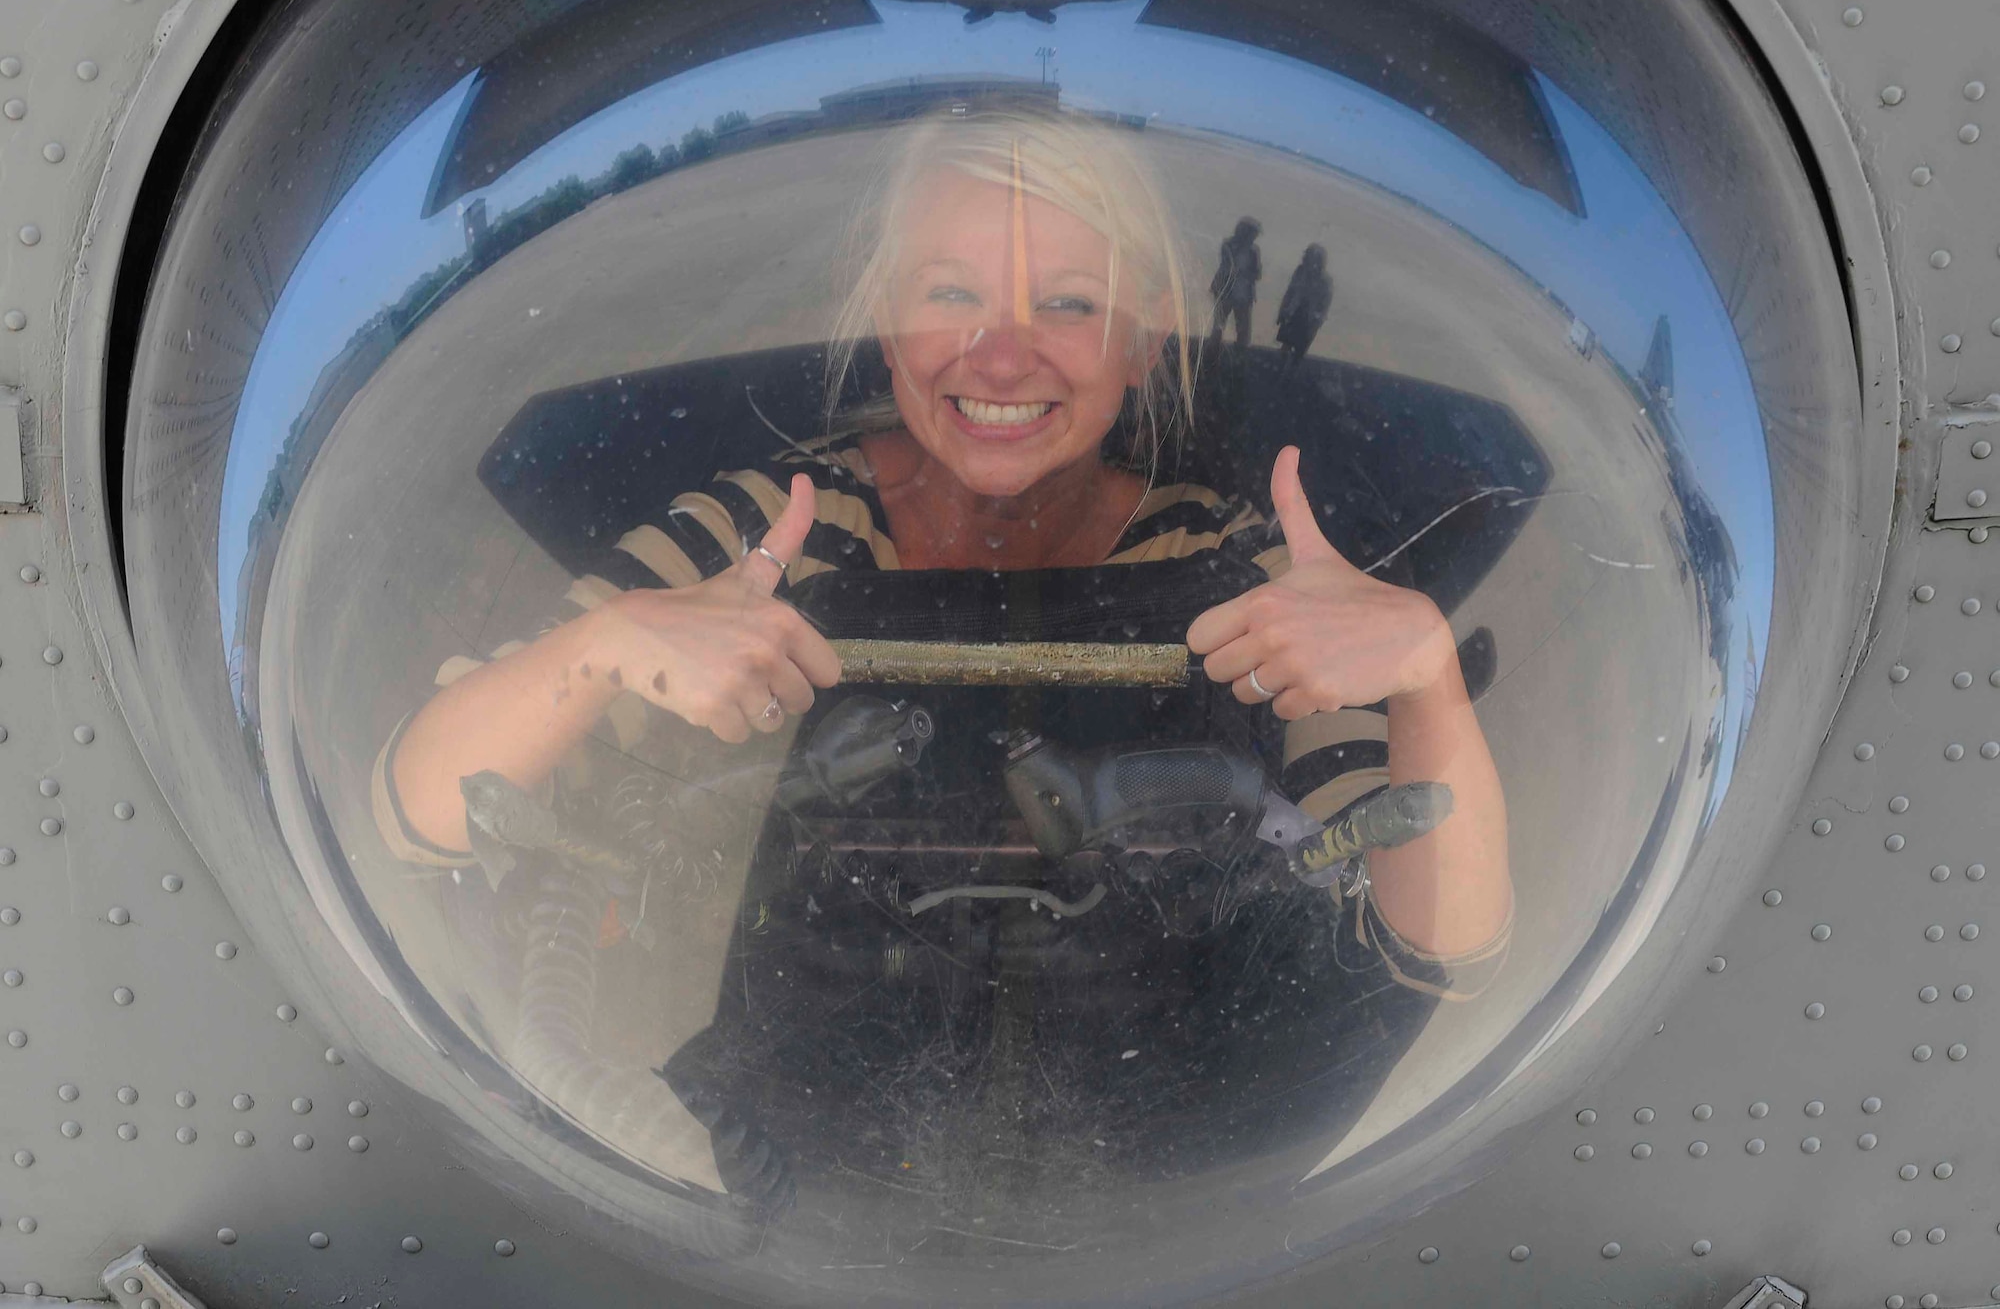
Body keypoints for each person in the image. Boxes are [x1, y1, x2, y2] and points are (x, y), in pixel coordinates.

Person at [376, 108, 1511, 1203]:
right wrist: (599, 646)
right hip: (785, 1181)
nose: (1001, 355)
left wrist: (1422, 673)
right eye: (950, 293)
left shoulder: (1226, 557)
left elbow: (1437, 944)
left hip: (1174, 1175)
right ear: (880, 314)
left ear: (1140, 341)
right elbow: (412, 814)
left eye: (1068, 303)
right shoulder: (778, 529)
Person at [1276, 242, 1334, 372]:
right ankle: (1278, 372)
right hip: (1293, 313)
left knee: (1300, 351)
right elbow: (1290, 292)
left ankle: (1290, 377)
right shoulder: (1300, 271)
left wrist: (1318, 320)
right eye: (1306, 256)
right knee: (1285, 346)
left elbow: (1325, 303)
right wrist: (1282, 311)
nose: (1306, 259)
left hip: (1309, 319)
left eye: (1309, 256)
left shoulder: (1325, 280)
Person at [1207, 215, 1262, 350]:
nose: (1254, 237)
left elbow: (1257, 273)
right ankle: (1212, 353)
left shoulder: (1254, 251)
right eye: (1252, 233)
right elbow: (1228, 266)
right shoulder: (1229, 244)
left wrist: (1247, 274)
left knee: (1243, 329)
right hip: (1226, 290)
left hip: (1243, 294)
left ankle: (1241, 355)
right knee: (1219, 325)